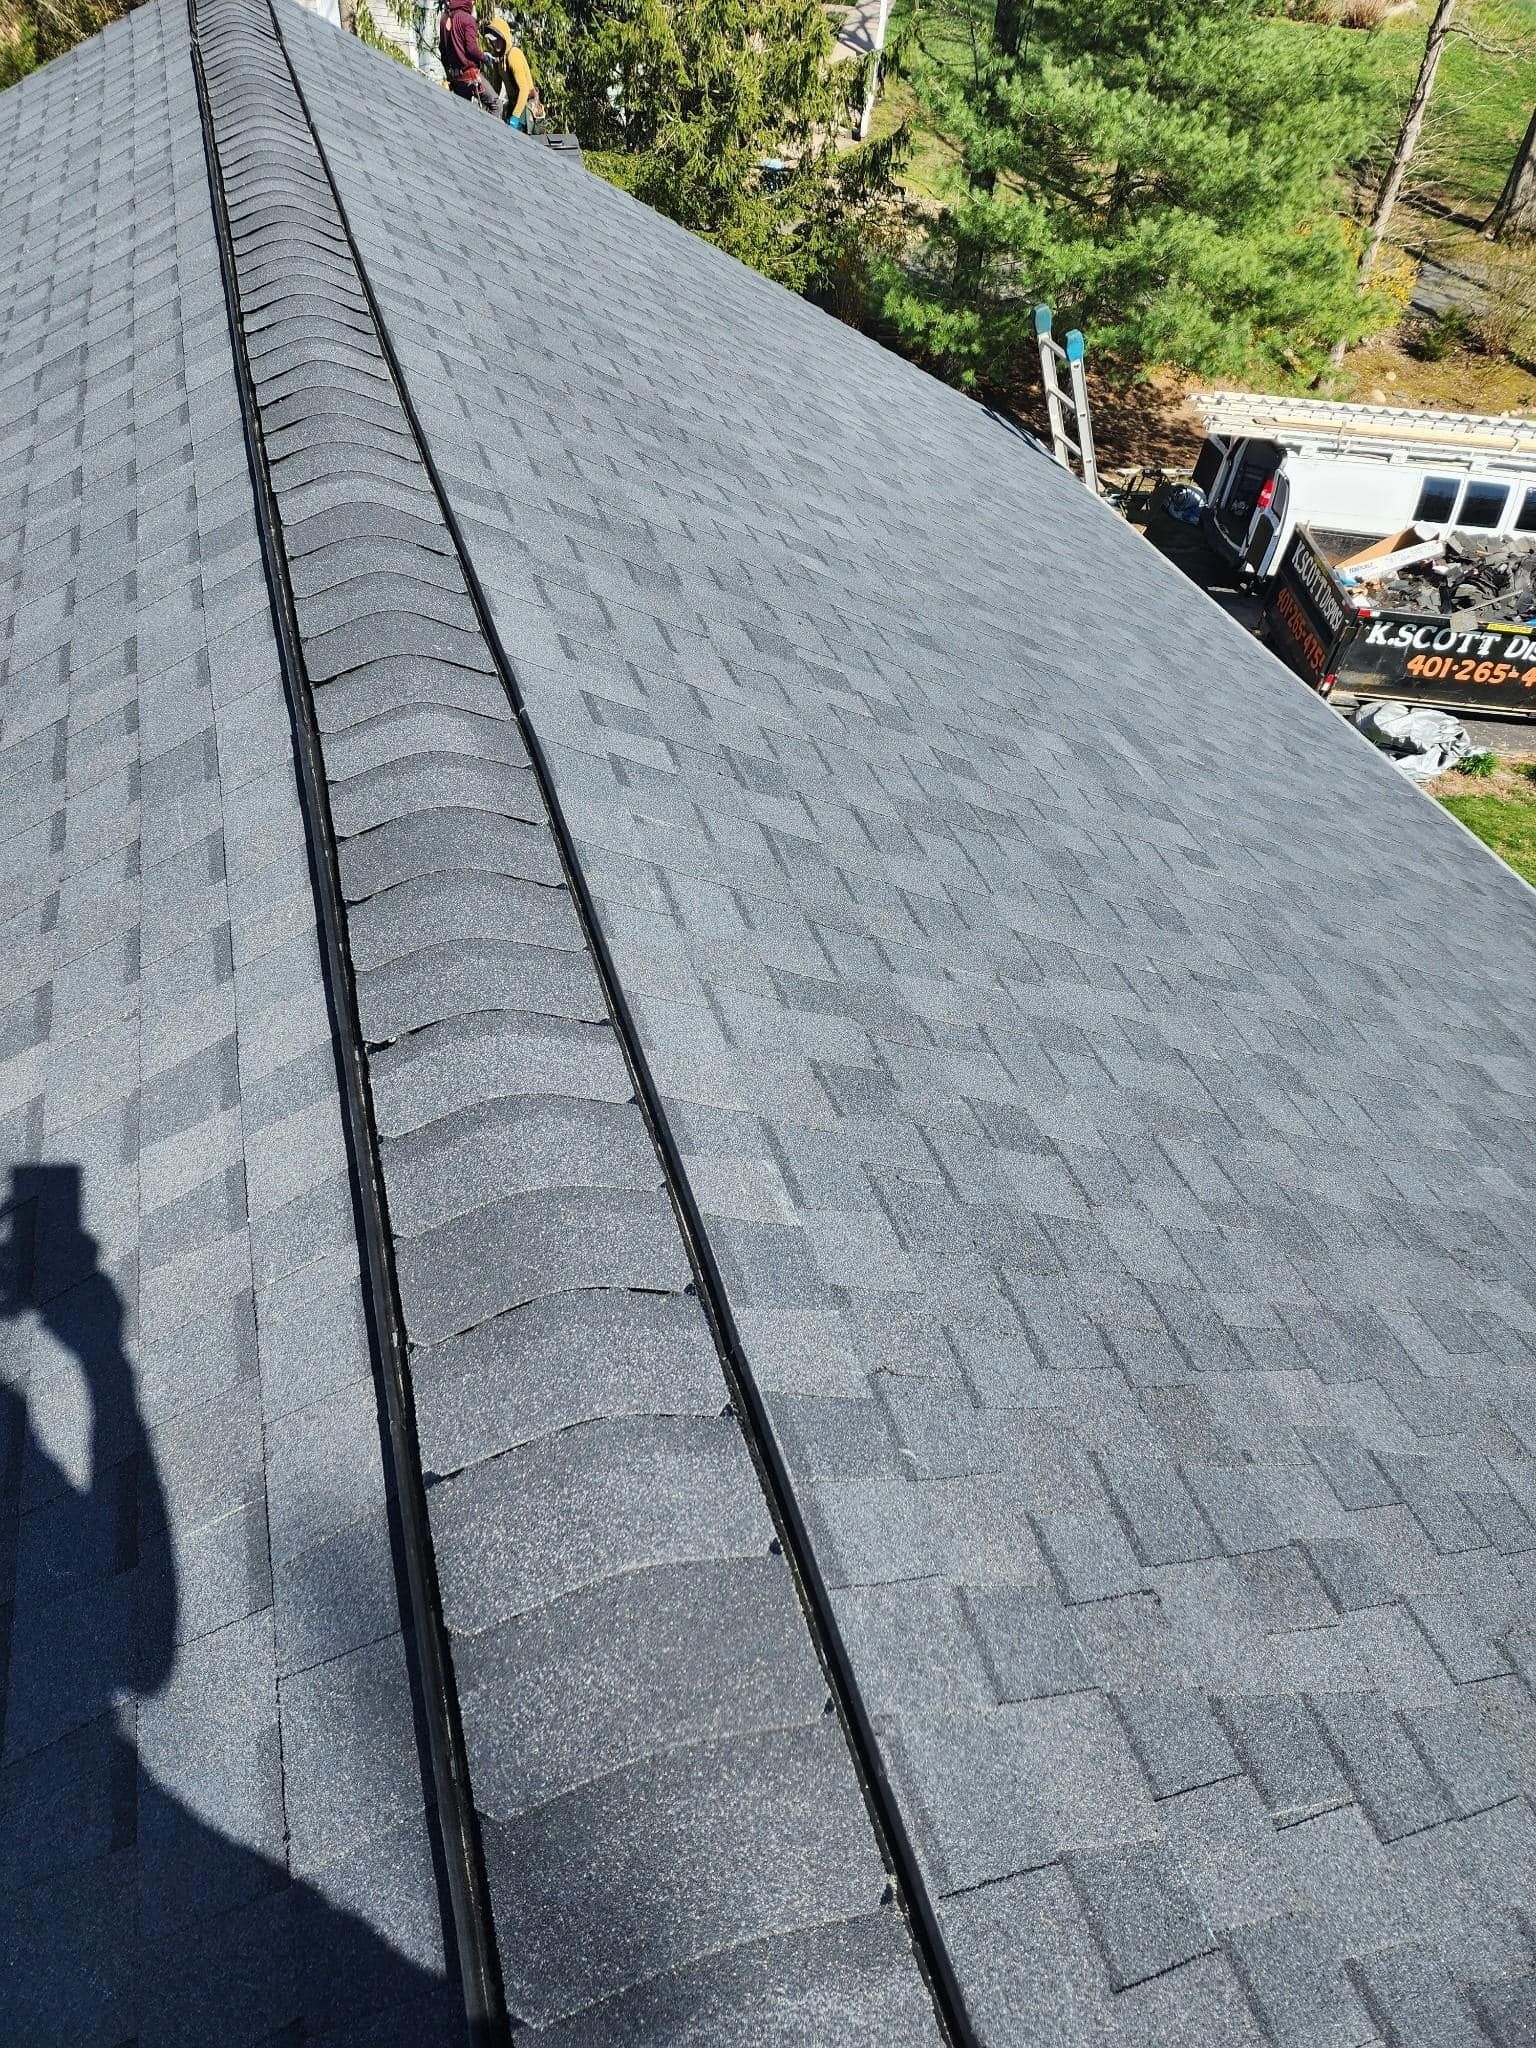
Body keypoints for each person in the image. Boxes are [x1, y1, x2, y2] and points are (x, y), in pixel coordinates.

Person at [439, 0, 499, 111]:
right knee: (496, 104)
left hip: (455, 78)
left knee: (464, 112)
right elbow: (471, 49)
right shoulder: (467, 19)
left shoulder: (444, 19)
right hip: (469, 77)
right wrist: (485, 58)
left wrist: (449, 74)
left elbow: (442, 50)